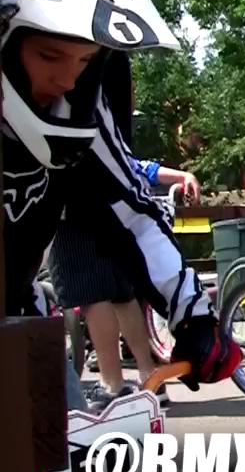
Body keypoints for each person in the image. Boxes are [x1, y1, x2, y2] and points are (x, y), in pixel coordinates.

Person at [0, 0, 241, 395]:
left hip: (18, 323)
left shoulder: (79, 115)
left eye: (85, 60)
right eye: (49, 56)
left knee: (62, 438)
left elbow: (132, 210)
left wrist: (194, 318)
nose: (67, 79)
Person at [51, 156, 201, 411]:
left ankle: (112, 385)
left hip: (73, 203)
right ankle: (150, 377)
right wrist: (180, 175)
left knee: (92, 294)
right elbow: (131, 163)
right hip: (116, 207)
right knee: (122, 294)